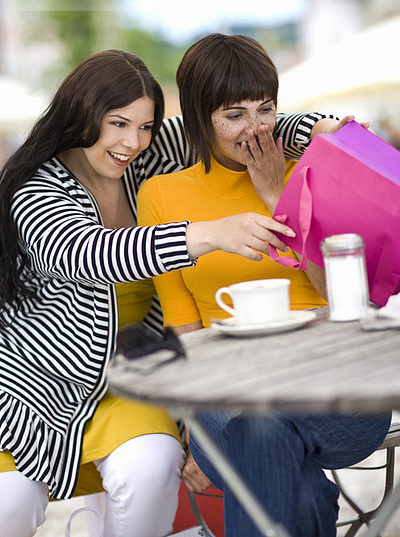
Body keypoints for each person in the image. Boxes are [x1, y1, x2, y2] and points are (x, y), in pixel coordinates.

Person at [0, 48, 337, 537]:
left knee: (152, 467)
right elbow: (88, 254)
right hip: (34, 395)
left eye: (145, 126)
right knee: (10, 504)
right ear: (79, 116)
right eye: (117, 124)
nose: (132, 142)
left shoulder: (147, 156)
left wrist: (321, 129)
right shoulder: (36, 185)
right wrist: (210, 234)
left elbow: (239, 119)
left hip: (133, 383)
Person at [136, 34, 392, 537]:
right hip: (226, 386)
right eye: (234, 115)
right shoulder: (163, 194)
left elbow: (349, 299)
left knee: (261, 433)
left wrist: (280, 193)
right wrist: (184, 421)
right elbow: (180, 315)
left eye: (265, 109)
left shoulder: (312, 172)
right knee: (283, 464)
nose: (254, 129)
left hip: (336, 385)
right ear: (198, 117)